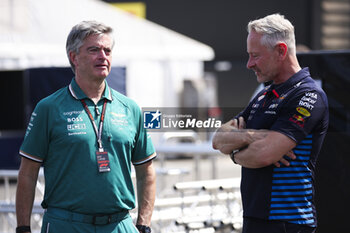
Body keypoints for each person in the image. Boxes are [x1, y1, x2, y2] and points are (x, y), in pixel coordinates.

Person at [15, 21, 156, 233]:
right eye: (94, 50)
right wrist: (23, 227)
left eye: (107, 50)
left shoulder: (130, 108)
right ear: (74, 57)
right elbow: (28, 172)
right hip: (66, 224)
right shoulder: (49, 108)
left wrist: (143, 224)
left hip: (120, 225)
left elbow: (147, 171)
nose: (103, 56)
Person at [212, 14, 328, 233]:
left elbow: (264, 154)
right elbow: (218, 139)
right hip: (253, 219)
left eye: (255, 56)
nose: (249, 64)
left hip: (289, 223)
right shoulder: (264, 95)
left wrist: (236, 149)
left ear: (281, 51)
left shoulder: (309, 95)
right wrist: (253, 137)